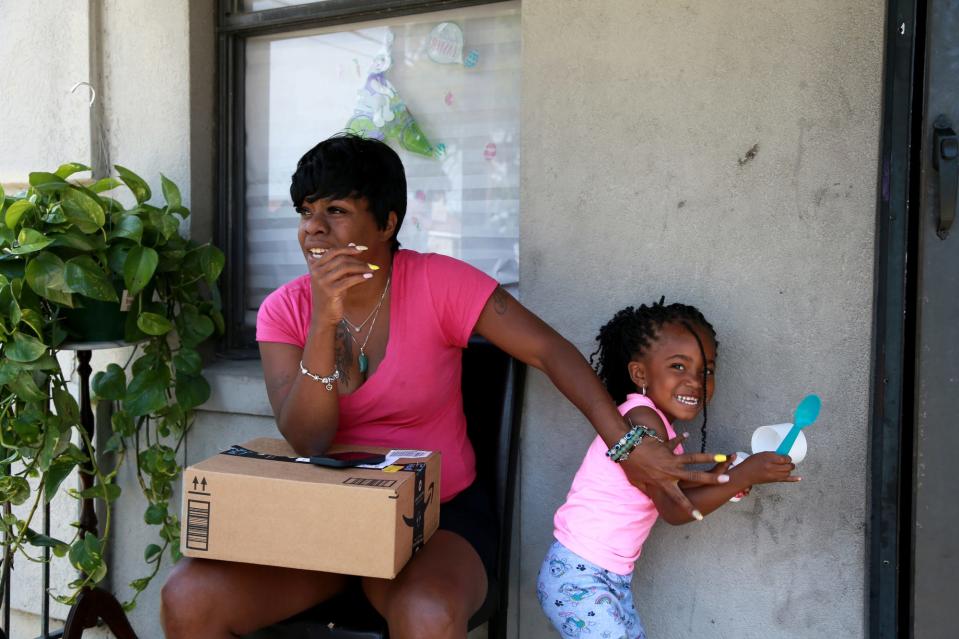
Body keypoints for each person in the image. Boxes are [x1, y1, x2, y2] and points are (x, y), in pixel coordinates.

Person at [161, 135, 729, 639]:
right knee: (187, 599)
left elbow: (550, 351)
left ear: (386, 223)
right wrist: (324, 321)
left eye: (335, 210)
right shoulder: (287, 309)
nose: (313, 227)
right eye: (306, 211)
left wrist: (627, 447)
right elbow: (308, 438)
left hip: (435, 519)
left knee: (428, 613)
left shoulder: (438, 282)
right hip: (327, 517)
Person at [537, 301, 801, 639]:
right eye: (679, 366)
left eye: (706, 370)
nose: (695, 381)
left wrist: (726, 479)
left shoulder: (658, 428)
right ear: (640, 374)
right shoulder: (642, 419)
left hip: (608, 576)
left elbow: (675, 491)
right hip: (579, 576)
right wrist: (743, 475)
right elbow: (675, 510)